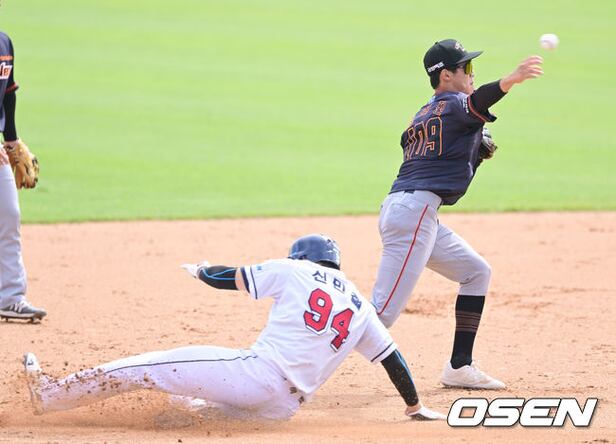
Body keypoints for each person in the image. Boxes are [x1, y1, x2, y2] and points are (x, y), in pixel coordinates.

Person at [23, 234, 445, 421]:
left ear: (301, 257)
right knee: (185, 411)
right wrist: (414, 406)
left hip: (256, 377)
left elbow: (228, 277)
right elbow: (393, 359)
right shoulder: (360, 305)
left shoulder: (295, 270)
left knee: (149, 366)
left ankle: (50, 395)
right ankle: (175, 420)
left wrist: (202, 271)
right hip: (281, 411)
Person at [371, 39, 543, 389]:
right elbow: (478, 103)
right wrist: (511, 80)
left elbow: (437, 163)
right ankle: (294, 362)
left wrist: (473, 153)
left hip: (411, 211)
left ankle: (459, 366)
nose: (472, 73)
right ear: (446, 76)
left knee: (475, 271)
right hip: (414, 213)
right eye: (466, 67)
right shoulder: (454, 104)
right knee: (380, 316)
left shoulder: (424, 113)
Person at [0, 30, 46, 322]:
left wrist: (12, 141)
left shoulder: (4, 42)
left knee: (9, 213)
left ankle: (11, 297)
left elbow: (8, 93)